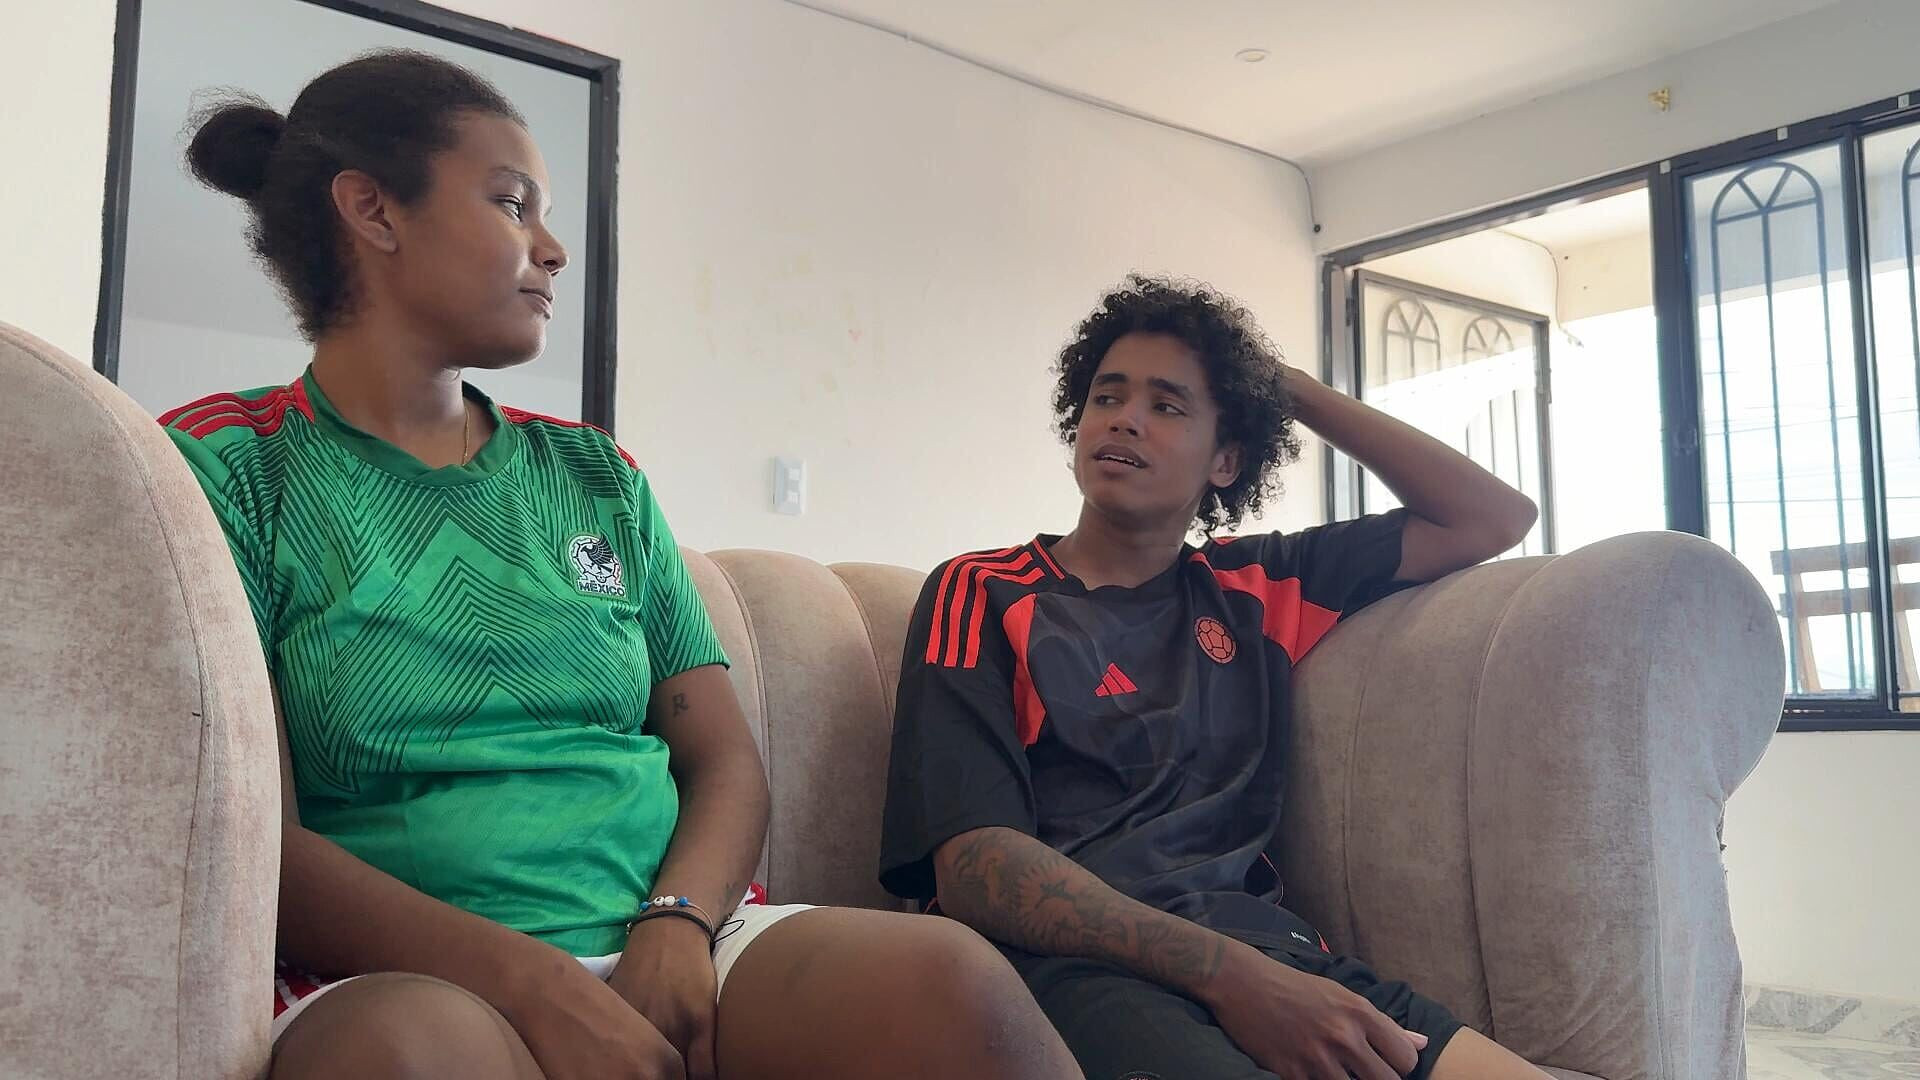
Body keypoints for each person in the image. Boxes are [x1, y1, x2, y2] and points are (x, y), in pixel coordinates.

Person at [163, 49, 1080, 1080]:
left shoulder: (595, 475)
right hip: (413, 976)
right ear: (374, 210)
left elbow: (725, 764)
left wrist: (677, 923)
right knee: (404, 1061)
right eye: (512, 204)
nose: (553, 250)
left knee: (954, 986)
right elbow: (251, 835)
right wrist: (534, 984)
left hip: (672, 940)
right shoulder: (224, 468)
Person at [879, 275, 1553, 1080]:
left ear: (1227, 459)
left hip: (1278, 962)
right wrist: (1234, 980)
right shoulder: (984, 589)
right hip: (1073, 972)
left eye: (1167, 405)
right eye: (1106, 396)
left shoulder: (1258, 586)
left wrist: (1285, 388)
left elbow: (1493, 517)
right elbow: (974, 870)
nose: (1124, 417)